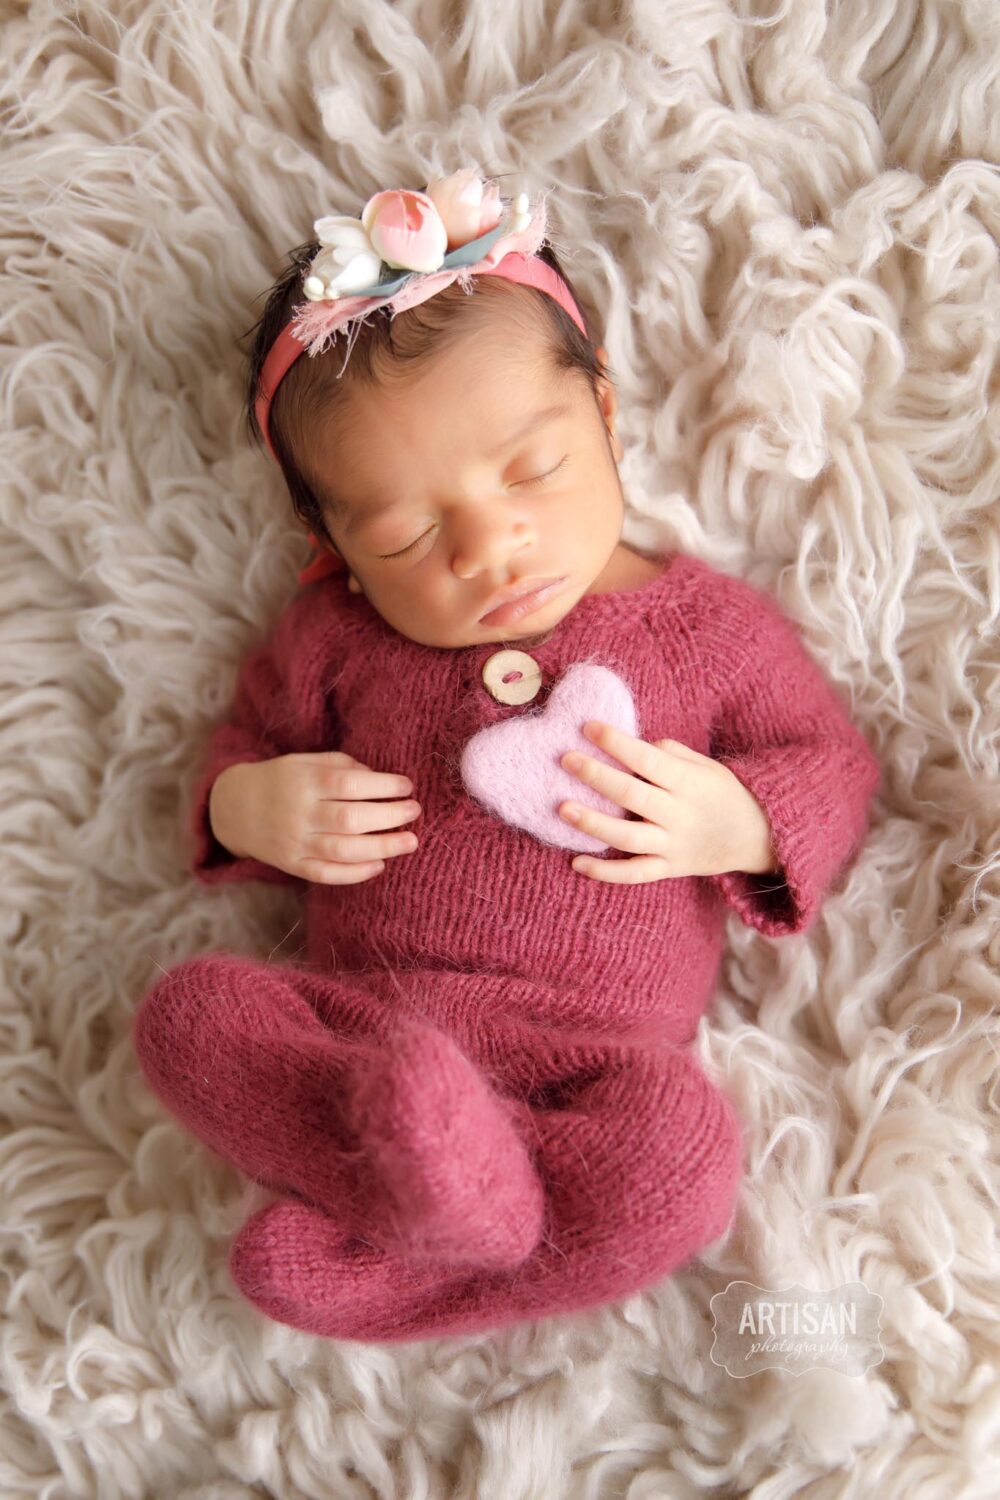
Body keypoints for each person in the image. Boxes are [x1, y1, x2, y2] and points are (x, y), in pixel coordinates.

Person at [131, 169, 882, 1345]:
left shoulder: (708, 633)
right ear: (329, 544)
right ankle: (422, 1167)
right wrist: (246, 803)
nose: (489, 547)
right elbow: (246, 750)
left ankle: (420, 1257)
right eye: (409, 532)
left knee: (680, 1160)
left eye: (532, 470)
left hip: (594, 1066)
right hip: (371, 1032)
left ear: (608, 420)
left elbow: (827, 764)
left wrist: (738, 820)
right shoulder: (336, 641)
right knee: (190, 1015)